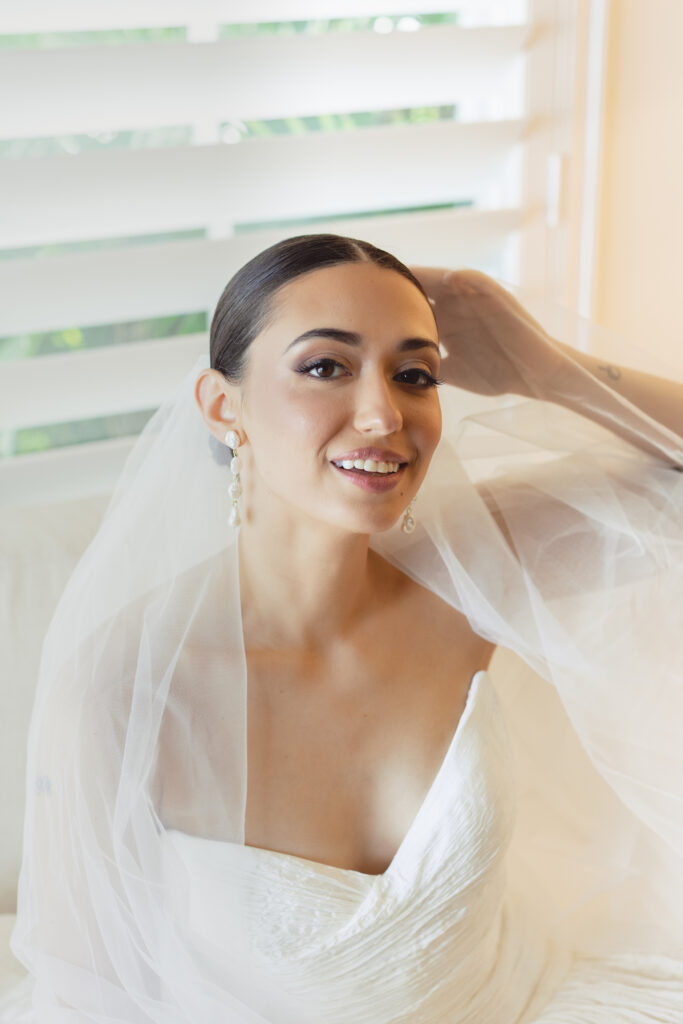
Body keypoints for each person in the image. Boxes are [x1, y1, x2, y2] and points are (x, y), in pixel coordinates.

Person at [6, 234, 683, 1022]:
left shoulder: (469, 571)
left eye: (414, 374)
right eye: (325, 366)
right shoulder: (124, 687)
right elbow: (92, 994)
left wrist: (546, 369)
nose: (381, 413)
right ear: (225, 408)